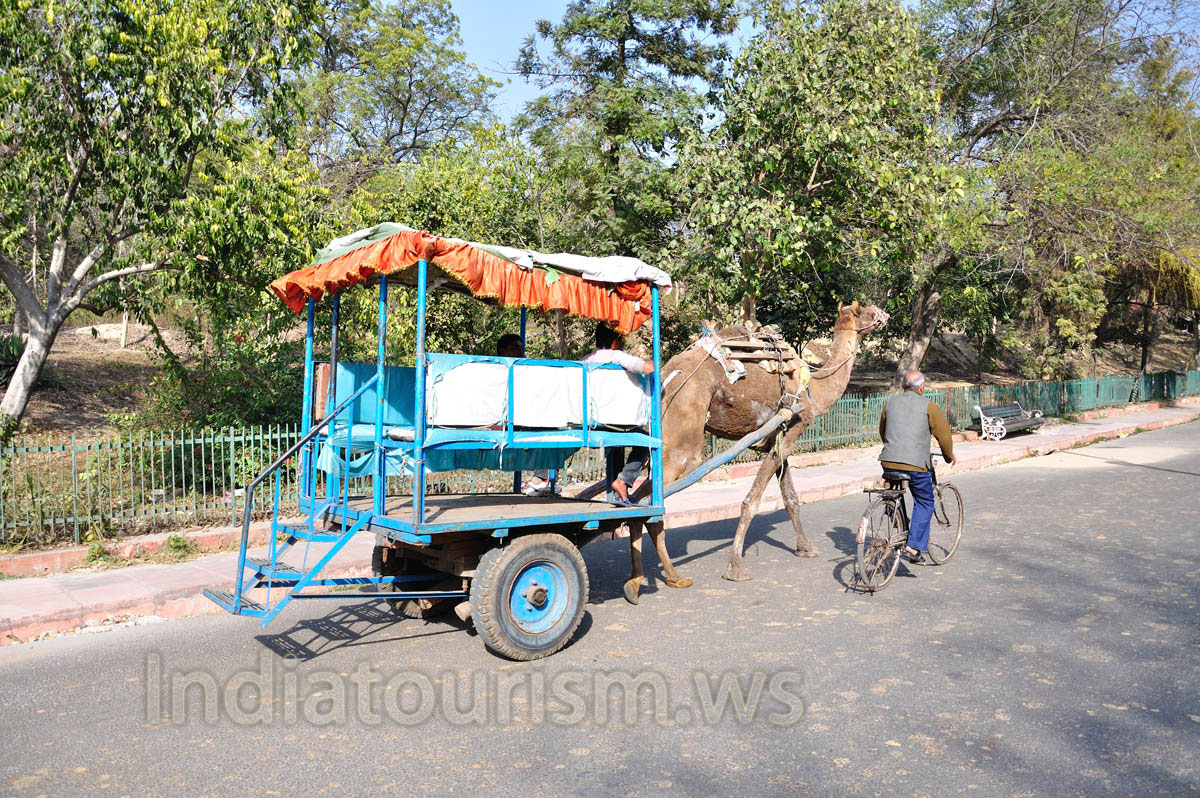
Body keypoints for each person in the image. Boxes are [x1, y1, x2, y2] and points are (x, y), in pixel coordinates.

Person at [878, 370, 955, 564]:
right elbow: (944, 436)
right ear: (922, 387)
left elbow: (884, 431)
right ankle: (912, 547)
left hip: (888, 461)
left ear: (903, 386)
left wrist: (894, 449)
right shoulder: (929, 406)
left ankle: (893, 511)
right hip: (916, 464)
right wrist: (948, 456)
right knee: (925, 501)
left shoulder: (890, 403)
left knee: (895, 487)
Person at [583, 323, 655, 504]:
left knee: (618, 447)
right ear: (616, 340)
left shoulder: (586, 359)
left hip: (592, 422)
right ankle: (623, 481)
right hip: (616, 422)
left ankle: (620, 492)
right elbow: (648, 369)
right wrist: (651, 361)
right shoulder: (616, 356)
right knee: (646, 442)